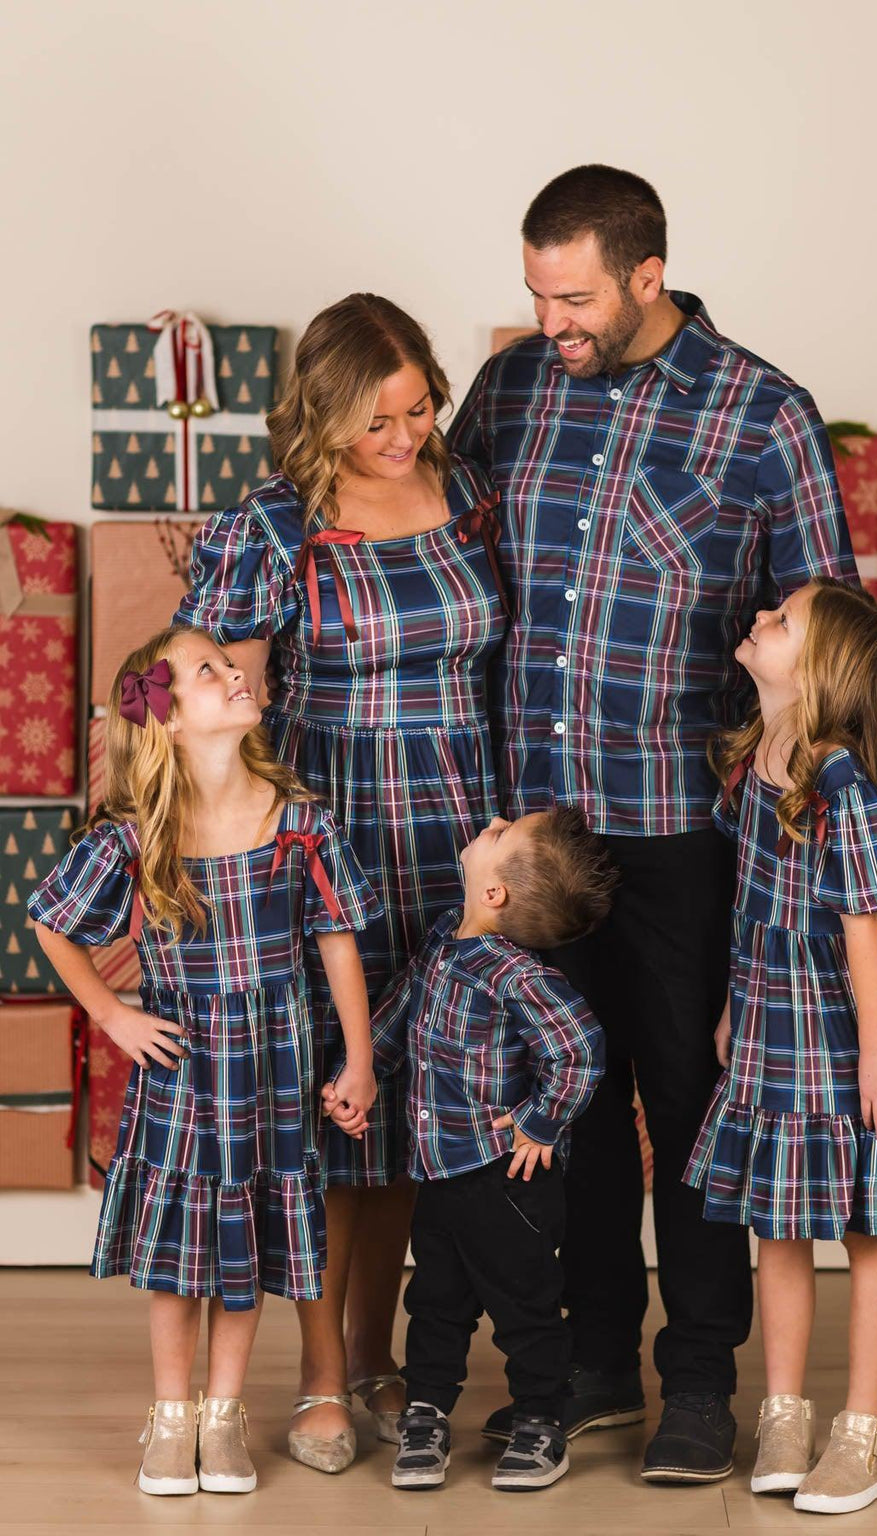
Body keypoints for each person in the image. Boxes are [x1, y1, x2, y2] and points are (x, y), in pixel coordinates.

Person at [449, 163, 861, 1482]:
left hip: (686, 835)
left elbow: (834, 650)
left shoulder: (763, 415)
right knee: (560, 1107)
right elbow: (429, 541)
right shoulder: (512, 390)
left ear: (647, 275)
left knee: (686, 1105)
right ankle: (587, 1371)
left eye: (572, 299)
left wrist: (801, 846)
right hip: (538, 835)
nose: (549, 323)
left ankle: (699, 1381)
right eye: (533, 295)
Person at [174, 295, 509, 1470]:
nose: (405, 435)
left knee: (419, 1105)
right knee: (330, 1110)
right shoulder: (272, 522)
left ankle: (380, 1358)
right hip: (332, 831)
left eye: (421, 407)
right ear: (322, 411)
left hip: (460, 826)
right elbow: (202, 694)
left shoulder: (467, 492)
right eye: (378, 420)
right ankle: (319, 1379)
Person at [28, 627, 378, 1496]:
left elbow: (337, 945)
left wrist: (360, 1061)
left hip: (273, 1070)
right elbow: (50, 922)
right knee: (186, 1252)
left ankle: (224, 1417)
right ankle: (172, 1413)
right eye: (209, 671)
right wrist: (111, 1014)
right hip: (186, 1073)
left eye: (231, 661)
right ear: (169, 718)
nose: (234, 672)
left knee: (246, 1240)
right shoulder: (139, 833)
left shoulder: (298, 820)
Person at [686, 578, 877, 1514]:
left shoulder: (843, 789)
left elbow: (864, 932)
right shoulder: (756, 758)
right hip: (768, 1024)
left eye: (780, 620)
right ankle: (785, 1413)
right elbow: (753, 910)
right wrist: (731, 1009)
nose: (758, 620)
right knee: (779, 1225)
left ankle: (864, 1433)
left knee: (867, 1231)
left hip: (844, 1033)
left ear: (820, 668)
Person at [324, 808, 613, 1493]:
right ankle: (427, 1411)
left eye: (501, 834)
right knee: (435, 1300)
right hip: (439, 1169)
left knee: (526, 1305)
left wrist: (542, 1124)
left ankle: (542, 1418)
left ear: (495, 895)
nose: (491, 821)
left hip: (504, 1180)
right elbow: (398, 1017)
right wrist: (357, 1075)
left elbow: (581, 1050)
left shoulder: (517, 976)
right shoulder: (441, 943)